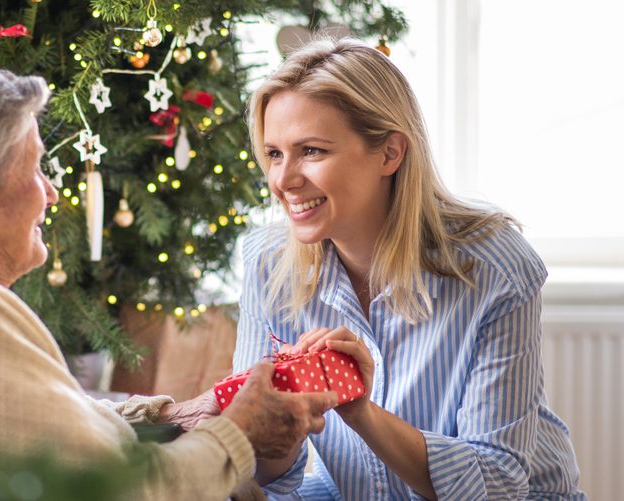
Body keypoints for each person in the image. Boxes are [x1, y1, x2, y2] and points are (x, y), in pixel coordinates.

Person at [0, 56, 338, 500]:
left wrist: (176, 415)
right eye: (34, 170)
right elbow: (126, 490)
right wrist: (240, 432)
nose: (50, 194)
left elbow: (56, 430)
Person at [234, 39, 585, 500]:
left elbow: (498, 483)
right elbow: (269, 472)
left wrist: (362, 411)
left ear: (390, 154)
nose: (283, 180)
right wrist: (268, 428)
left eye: (312, 151)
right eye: (275, 154)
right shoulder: (269, 265)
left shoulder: (495, 268)